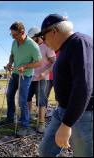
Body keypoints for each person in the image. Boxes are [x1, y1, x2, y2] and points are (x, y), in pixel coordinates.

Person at [35, 14, 93, 157]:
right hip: (62, 110)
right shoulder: (65, 47)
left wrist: (67, 125)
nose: (43, 40)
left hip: (83, 113)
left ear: (54, 31)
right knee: (45, 151)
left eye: (44, 35)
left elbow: (83, 87)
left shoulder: (79, 42)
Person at [0, 21, 42, 137]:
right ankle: (10, 119)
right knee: (9, 95)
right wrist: (10, 63)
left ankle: (24, 126)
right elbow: (12, 54)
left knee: (22, 100)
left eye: (14, 35)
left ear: (22, 32)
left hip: (26, 75)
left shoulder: (33, 45)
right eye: (12, 35)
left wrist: (26, 66)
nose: (13, 37)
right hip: (14, 73)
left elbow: (39, 62)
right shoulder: (14, 42)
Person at [27, 27, 56, 133]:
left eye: (32, 38)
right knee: (27, 98)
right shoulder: (30, 46)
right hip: (30, 77)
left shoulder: (47, 46)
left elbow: (54, 62)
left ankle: (41, 123)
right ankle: (27, 119)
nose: (30, 40)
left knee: (41, 101)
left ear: (38, 36)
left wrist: (46, 72)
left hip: (42, 78)